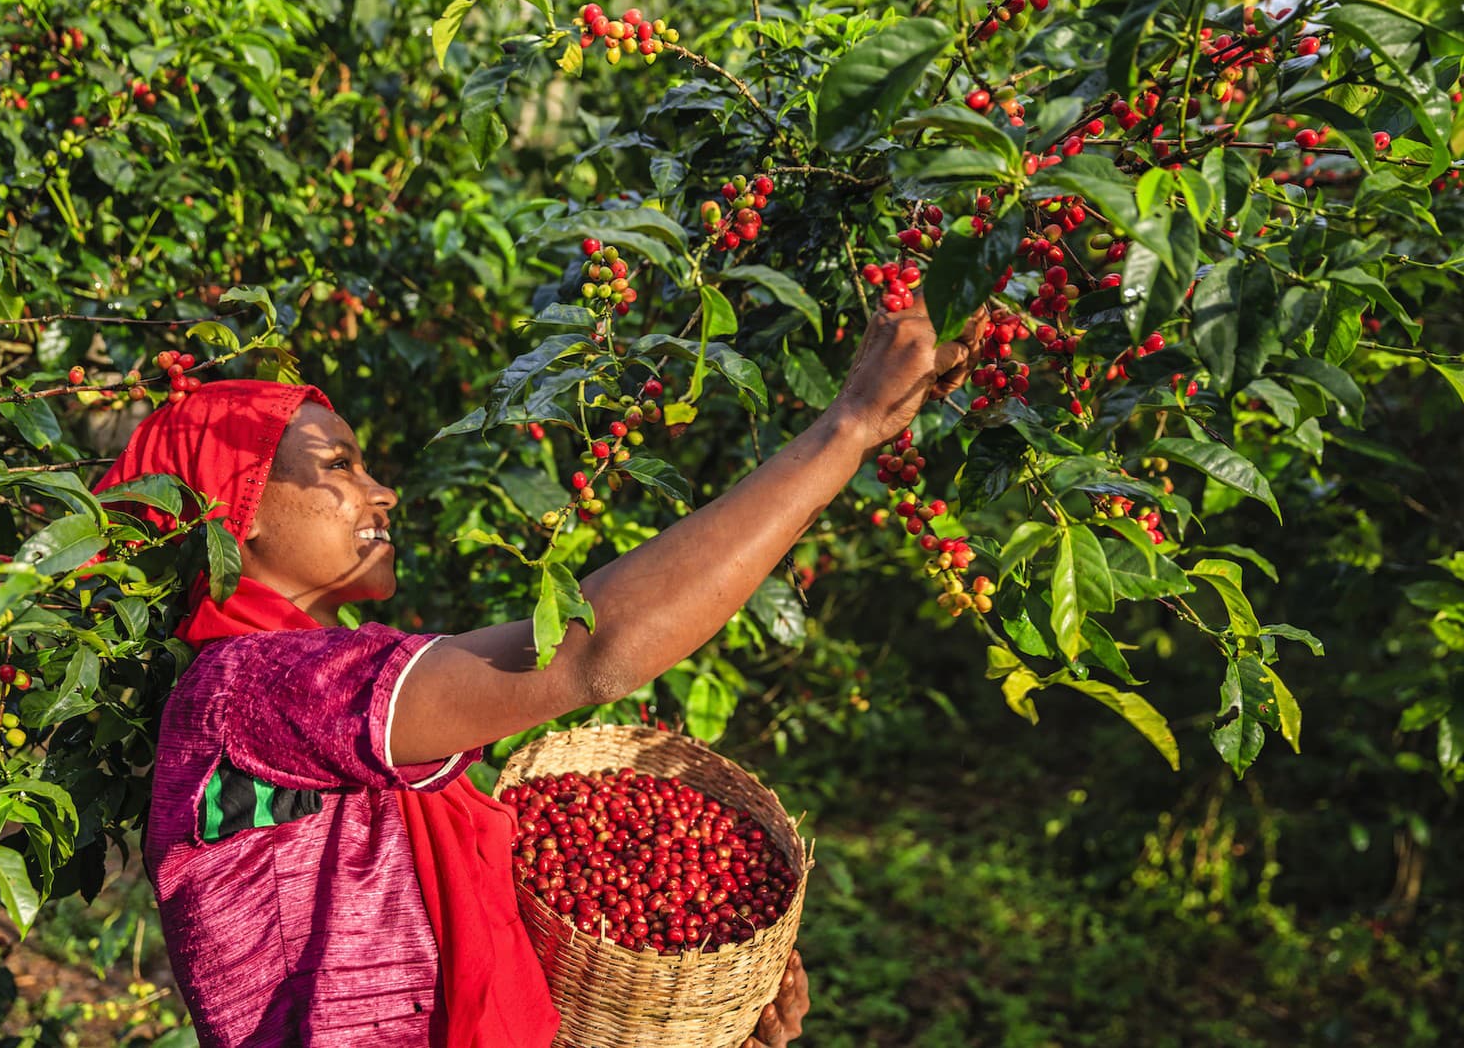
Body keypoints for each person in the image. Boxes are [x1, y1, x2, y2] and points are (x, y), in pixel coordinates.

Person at [93, 291, 978, 1047]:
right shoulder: (250, 685)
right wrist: (847, 427)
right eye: (338, 466)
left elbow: (462, 955)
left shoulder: (315, 698)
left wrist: (692, 1012)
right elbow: (592, 653)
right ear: (232, 510)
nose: (381, 490)